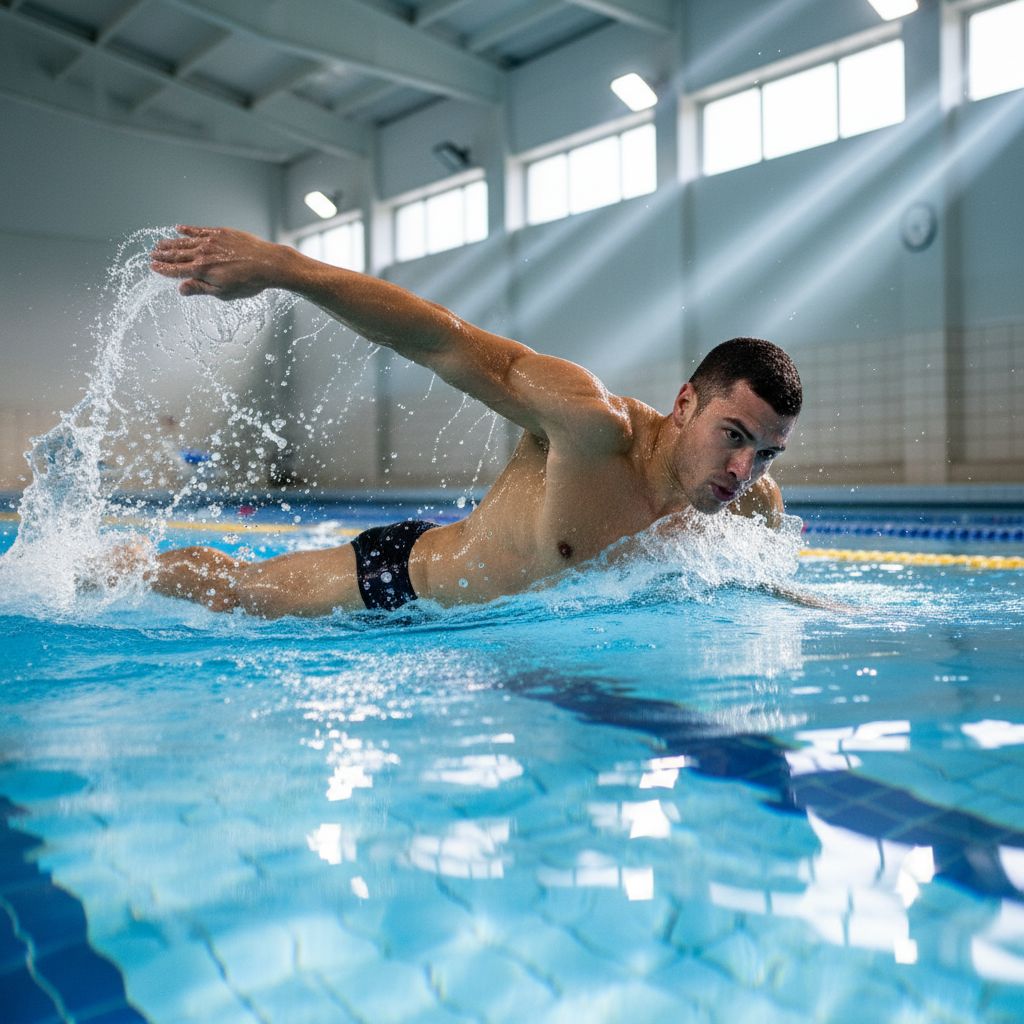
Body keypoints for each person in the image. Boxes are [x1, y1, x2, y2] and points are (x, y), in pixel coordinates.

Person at [136, 225, 801, 617]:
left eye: (766, 454)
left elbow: (765, 596)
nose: (743, 471)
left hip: (487, 648)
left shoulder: (749, 506)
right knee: (237, 590)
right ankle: (110, 565)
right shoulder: (590, 427)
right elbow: (439, 340)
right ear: (686, 404)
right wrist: (285, 269)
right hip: (402, 588)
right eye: (733, 436)